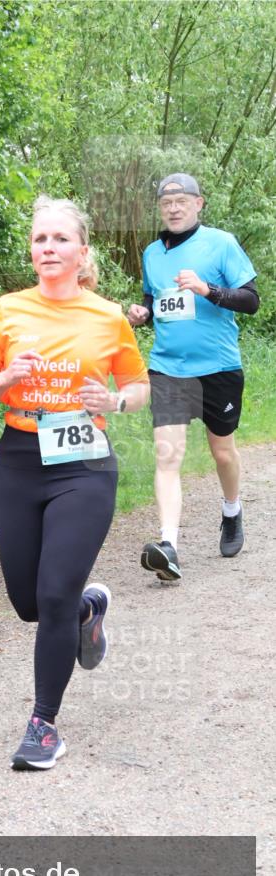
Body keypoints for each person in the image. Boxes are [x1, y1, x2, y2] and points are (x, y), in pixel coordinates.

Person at [0, 196, 150, 772]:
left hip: (85, 464)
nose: (48, 248)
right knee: (29, 603)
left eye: (60, 240)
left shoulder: (106, 316)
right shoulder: (9, 309)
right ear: (33, 250)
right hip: (18, 457)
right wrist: (6, 377)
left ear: (81, 252)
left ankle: (42, 725)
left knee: (52, 595)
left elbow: (138, 386)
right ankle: (87, 611)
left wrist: (114, 399)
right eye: (40, 240)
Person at [128, 173, 259, 581]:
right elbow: (155, 299)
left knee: (223, 453)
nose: (173, 207)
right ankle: (169, 546)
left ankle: (232, 510)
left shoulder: (221, 243)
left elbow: (251, 301)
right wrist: (142, 314)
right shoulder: (152, 252)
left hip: (218, 367)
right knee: (168, 455)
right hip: (169, 367)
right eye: (166, 201)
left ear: (198, 204)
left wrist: (207, 290)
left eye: (181, 200)